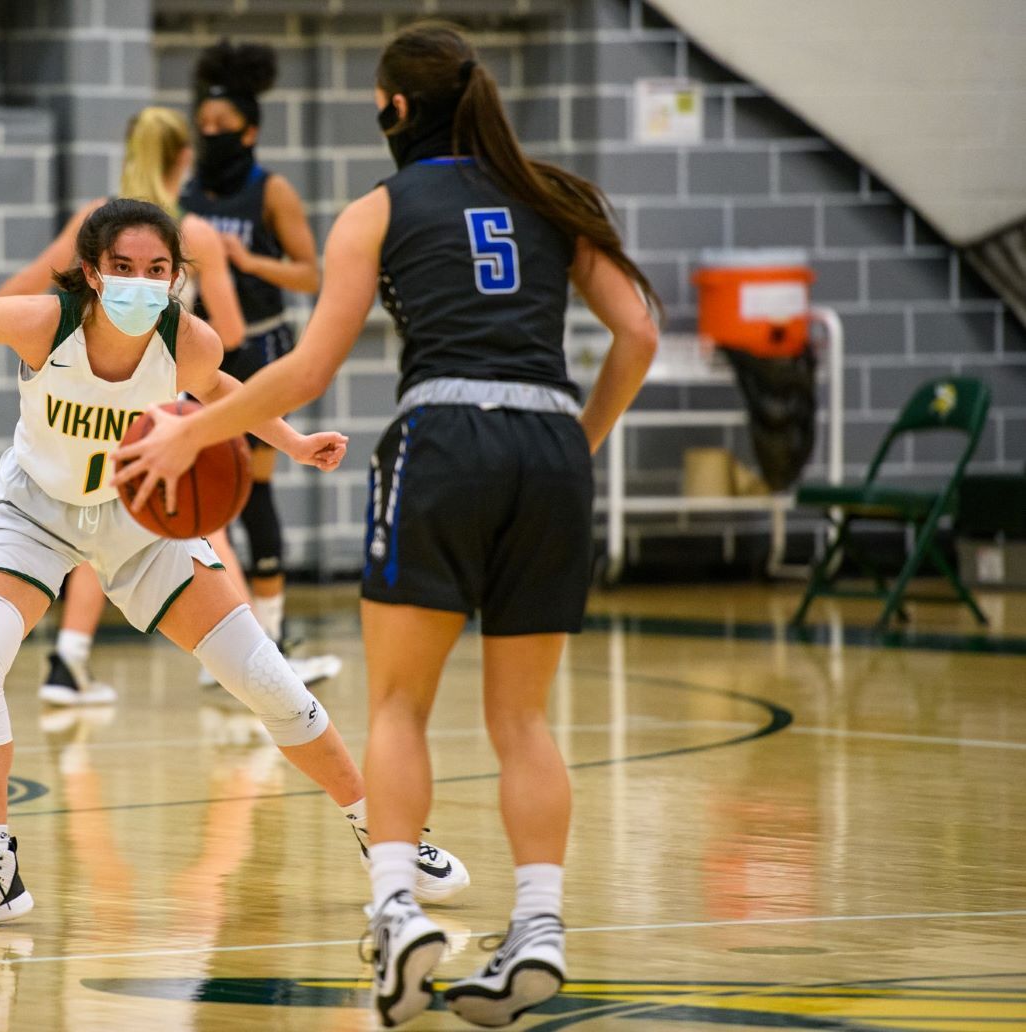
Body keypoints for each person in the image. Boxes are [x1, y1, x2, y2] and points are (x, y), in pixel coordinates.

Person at [113, 23, 660, 1028]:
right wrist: (579, 438)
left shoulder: (378, 209)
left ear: (395, 110)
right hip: (548, 448)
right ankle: (538, 925)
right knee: (524, 719)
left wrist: (195, 438)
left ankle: (398, 912)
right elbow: (639, 332)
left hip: (441, 439)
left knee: (401, 706)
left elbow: (306, 372)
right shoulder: (554, 195)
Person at [0, 198, 470, 933]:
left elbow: (222, 394)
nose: (140, 281)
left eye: (157, 269)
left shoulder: (189, 341)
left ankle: (386, 834)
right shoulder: (45, 323)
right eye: (123, 268)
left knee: (267, 680)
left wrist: (289, 443)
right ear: (93, 273)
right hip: (36, 509)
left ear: (175, 276)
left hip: (140, 518)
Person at [0, 106, 334, 703]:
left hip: (81, 391)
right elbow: (228, 331)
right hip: (162, 403)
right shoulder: (192, 233)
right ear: (185, 160)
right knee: (198, 518)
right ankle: (247, 654)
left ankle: (70, 658)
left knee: (98, 510)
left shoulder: (93, 223)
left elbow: (28, 279)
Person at [181, 41, 328, 665]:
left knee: (256, 490)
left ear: (251, 131)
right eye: (203, 125)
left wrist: (247, 261)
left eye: (223, 127)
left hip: (262, 345)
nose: (210, 134)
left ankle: (270, 631)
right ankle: (224, 632)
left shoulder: (273, 191)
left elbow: (310, 274)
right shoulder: (185, 193)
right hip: (197, 348)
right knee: (202, 487)